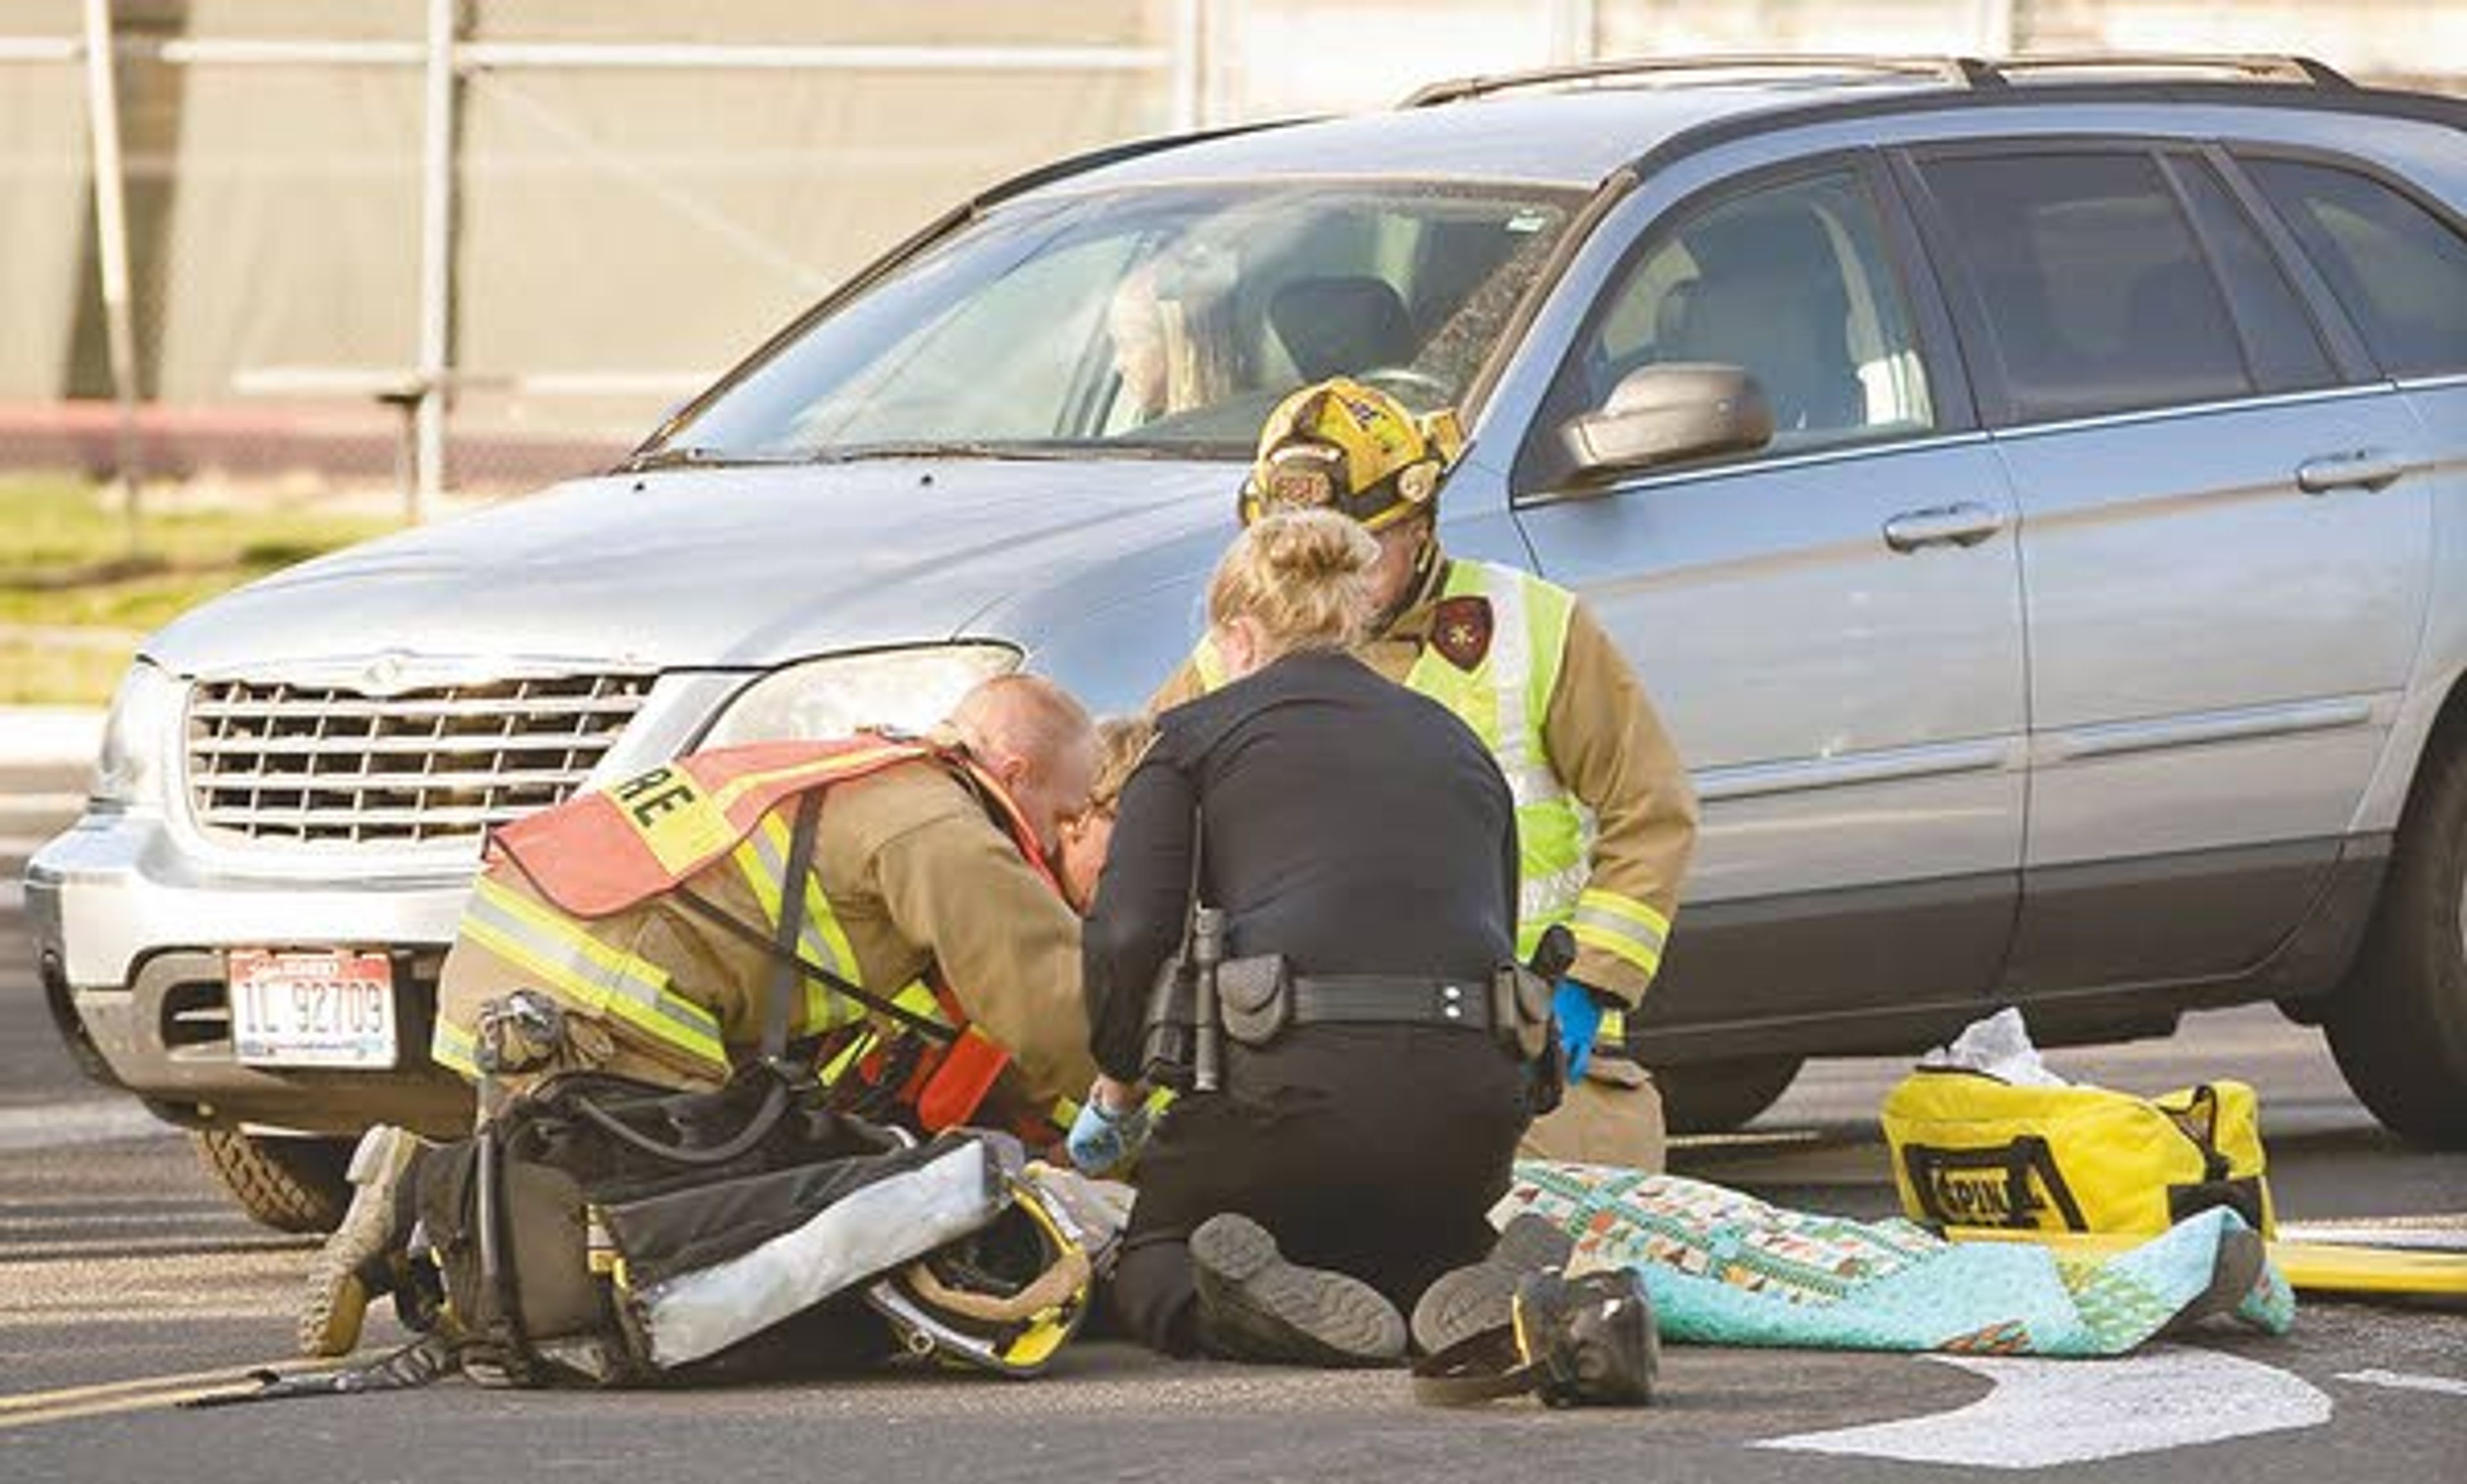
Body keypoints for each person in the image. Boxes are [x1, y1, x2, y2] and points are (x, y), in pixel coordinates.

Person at [298, 675, 1102, 1358]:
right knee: (686, 1244)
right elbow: (1048, 1001)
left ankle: (429, 1188)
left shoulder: (857, 771)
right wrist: (1133, 1116)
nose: (1063, 838)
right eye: (1066, 815)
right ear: (1017, 771)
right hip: (605, 995)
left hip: (517, 960)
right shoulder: (940, 824)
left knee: (552, 1194)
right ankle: (421, 1195)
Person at [1153, 377, 1699, 1170]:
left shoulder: (1534, 629)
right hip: (1302, 1056)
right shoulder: (1227, 658)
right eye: (1295, 562)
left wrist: (1591, 980)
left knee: (1562, 1271)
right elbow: (1136, 829)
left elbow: (1650, 810)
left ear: (1421, 524)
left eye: (1363, 554)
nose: (1328, 585)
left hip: (1523, 1047)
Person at [1082, 509, 1537, 1365]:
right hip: (1470, 1111)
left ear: (1241, 634)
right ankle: (1464, 1278)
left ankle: (1239, 1311)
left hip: (1283, 1095)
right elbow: (1497, 930)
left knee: (1158, 1256)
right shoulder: (1457, 741)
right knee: (1392, 1238)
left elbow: (1131, 929)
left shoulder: (1190, 740)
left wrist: (1118, 1085)